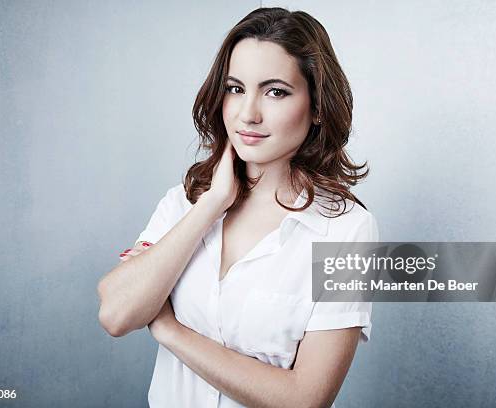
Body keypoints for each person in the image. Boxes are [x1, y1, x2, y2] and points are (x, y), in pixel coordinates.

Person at [97, 7, 379, 408]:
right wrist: (211, 205)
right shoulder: (184, 201)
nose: (248, 114)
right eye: (235, 88)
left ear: (317, 106)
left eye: (276, 91)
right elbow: (116, 314)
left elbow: (305, 399)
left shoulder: (347, 230)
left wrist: (170, 330)